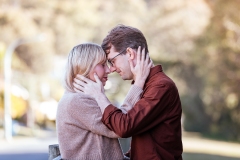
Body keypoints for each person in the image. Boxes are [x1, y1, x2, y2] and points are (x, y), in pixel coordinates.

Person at [73, 25, 183, 160]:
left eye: (112, 61)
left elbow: (124, 127)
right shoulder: (147, 85)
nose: (112, 69)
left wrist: (99, 95)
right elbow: (147, 141)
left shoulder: (161, 86)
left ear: (130, 53)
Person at [56, 43, 152, 160]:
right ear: (85, 67)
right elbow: (118, 127)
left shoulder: (82, 98)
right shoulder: (76, 101)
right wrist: (139, 82)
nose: (108, 70)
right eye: (102, 65)